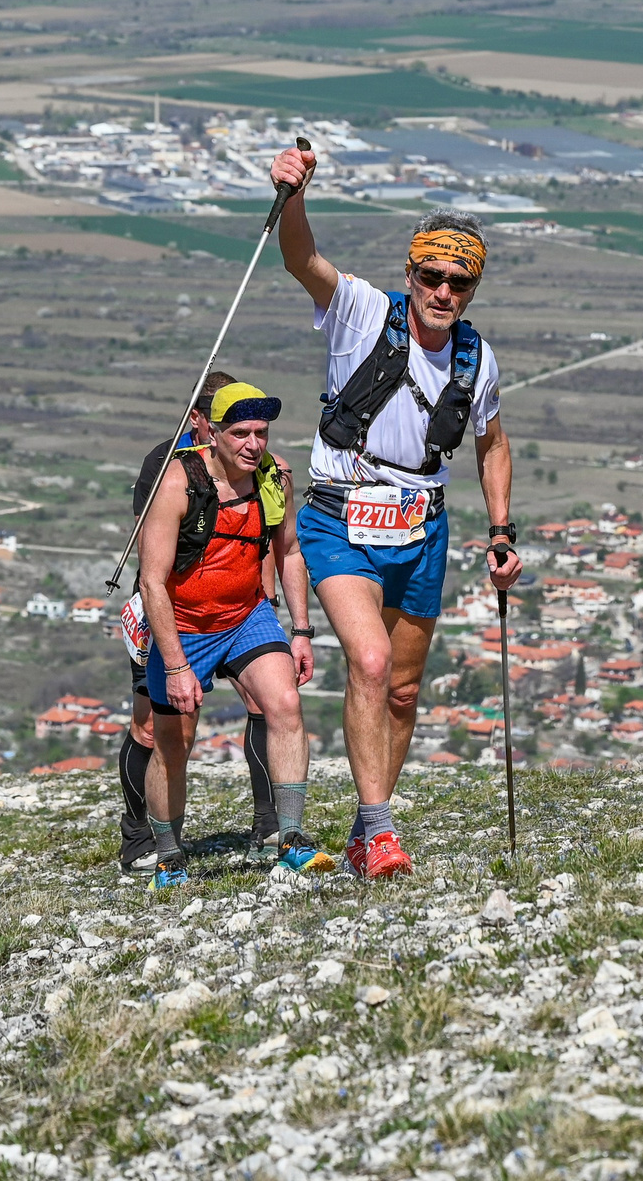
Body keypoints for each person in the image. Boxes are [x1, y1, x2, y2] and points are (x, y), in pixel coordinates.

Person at [269, 146, 522, 880]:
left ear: (473, 286)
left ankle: (361, 825)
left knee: (404, 691)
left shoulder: (477, 357)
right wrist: (293, 195)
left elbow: (493, 443)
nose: (442, 290)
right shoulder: (361, 313)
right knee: (370, 662)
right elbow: (301, 256)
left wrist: (500, 529)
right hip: (341, 514)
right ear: (410, 272)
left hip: (422, 524)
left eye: (459, 280)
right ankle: (382, 833)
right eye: (430, 274)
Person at [135, 380, 328, 888]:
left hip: (246, 616)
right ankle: (168, 855)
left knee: (284, 704)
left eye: (261, 432)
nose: (253, 444)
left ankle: (290, 839)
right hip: (183, 624)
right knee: (173, 744)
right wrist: (176, 665)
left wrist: (302, 631)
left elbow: (288, 552)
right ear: (212, 432)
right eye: (241, 432)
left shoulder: (273, 479)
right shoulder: (176, 483)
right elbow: (153, 581)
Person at [118, 368, 288, 874]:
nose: (245, 434)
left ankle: (269, 821)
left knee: (267, 698)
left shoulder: (260, 467)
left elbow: (265, 534)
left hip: (240, 606)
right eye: (221, 417)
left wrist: (269, 603)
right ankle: (140, 838)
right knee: (161, 730)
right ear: (201, 419)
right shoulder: (166, 466)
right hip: (169, 609)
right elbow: (155, 552)